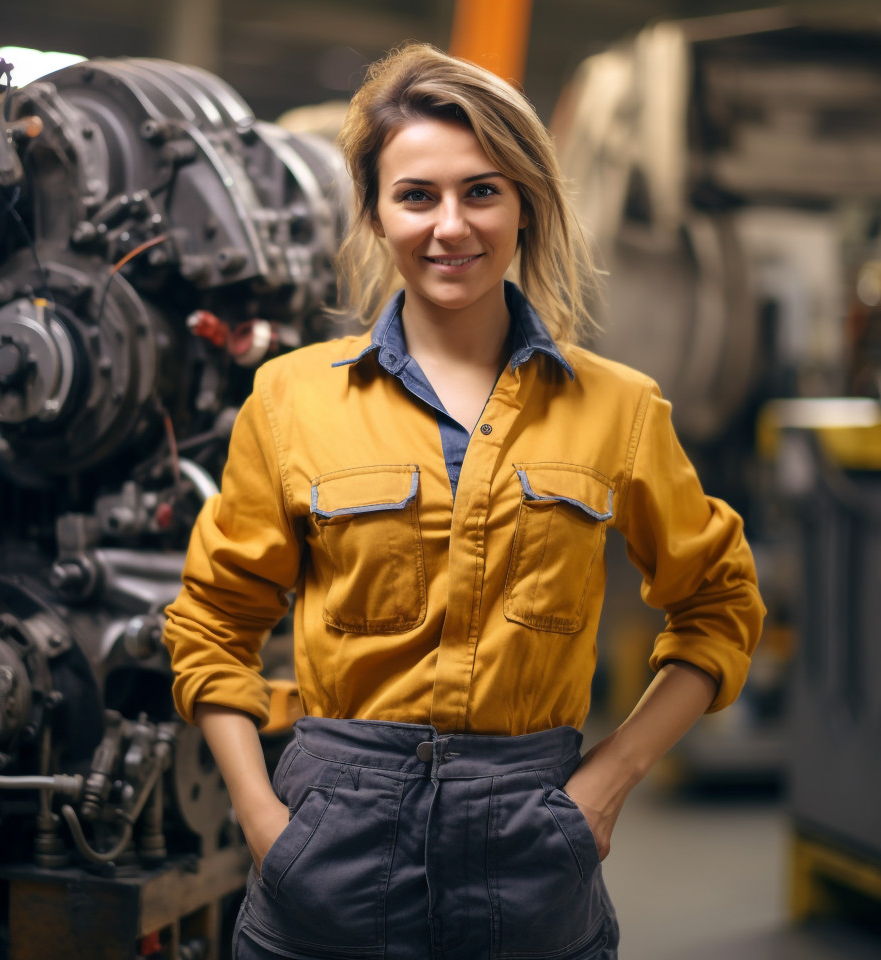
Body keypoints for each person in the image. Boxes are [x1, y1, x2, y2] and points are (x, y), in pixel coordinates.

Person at [163, 42, 765, 960]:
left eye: (483, 191)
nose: (452, 226)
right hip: (328, 841)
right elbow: (212, 622)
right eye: (417, 196)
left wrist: (605, 785)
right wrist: (261, 816)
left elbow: (719, 606)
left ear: (526, 204)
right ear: (374, 211)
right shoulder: (292, 400)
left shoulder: (620, 409)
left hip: (527, 848)